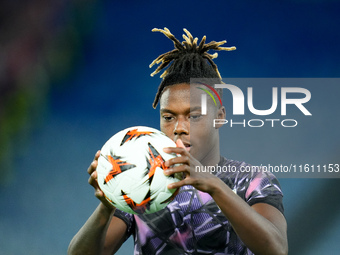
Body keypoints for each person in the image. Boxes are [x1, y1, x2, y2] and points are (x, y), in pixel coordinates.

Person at [68, 28, 288, 255]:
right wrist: (107, 204)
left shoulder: (252, 180)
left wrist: (213, 185)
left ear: (219, 117)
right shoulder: (141, 185)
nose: (179, 128)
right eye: (168, 117)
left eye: (194, 116)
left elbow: (276, 249)